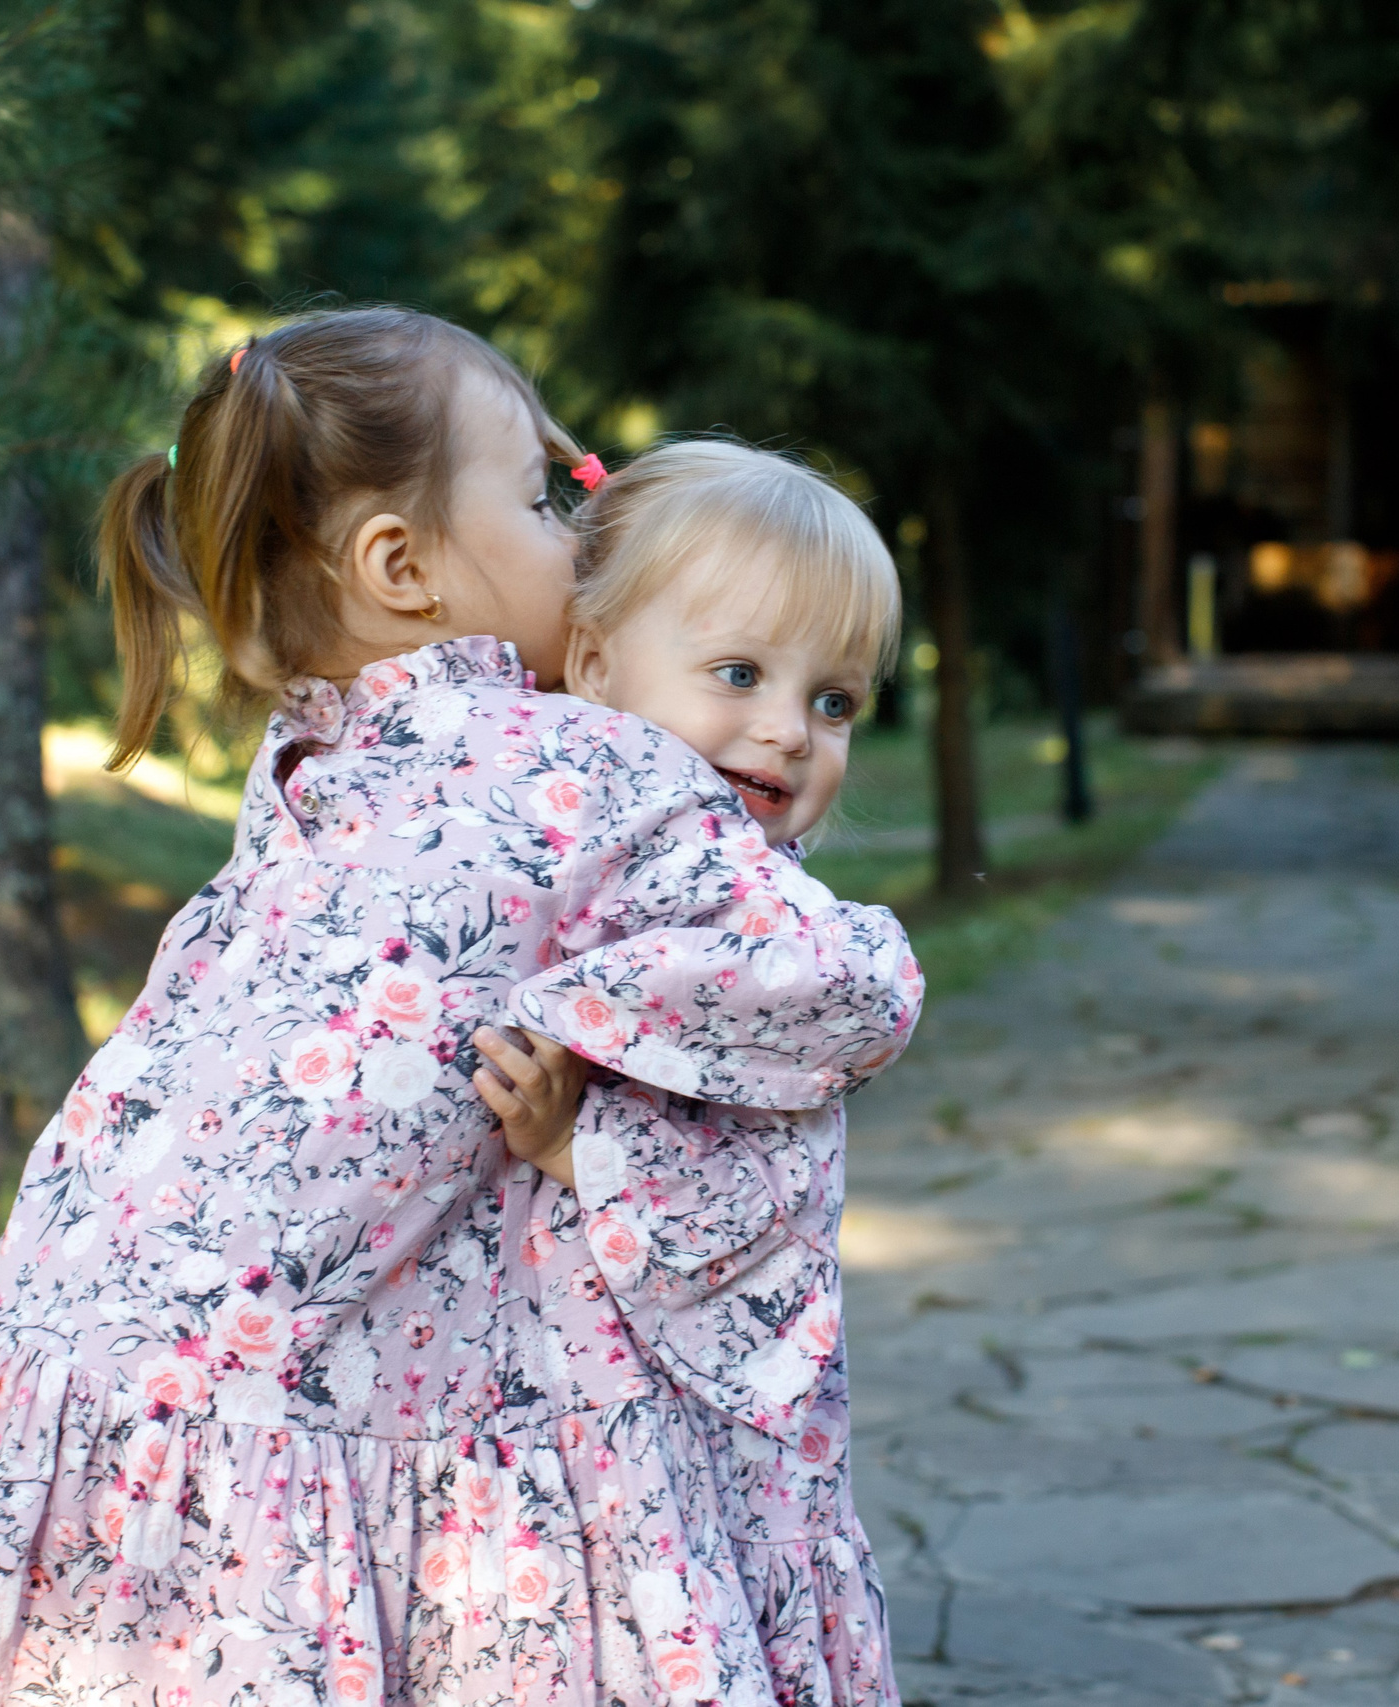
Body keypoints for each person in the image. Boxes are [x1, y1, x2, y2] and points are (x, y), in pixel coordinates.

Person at [0, 309, 920, 1707]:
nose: (581, 534)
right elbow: (845, 986)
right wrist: (624, 1051)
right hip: (380, 1390)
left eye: (835, 701)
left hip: (134, 1360)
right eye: (543, 498)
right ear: (402, 566)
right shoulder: (580, 766)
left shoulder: (311, 762)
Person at [469, 440, 908, 1707]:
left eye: (834, 702)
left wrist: (580, 1147)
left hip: (691, 1432)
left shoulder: (760, 928)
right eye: (739, 674)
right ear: (595, 662)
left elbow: (770, 1193)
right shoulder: (529, 839)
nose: (788, 730)